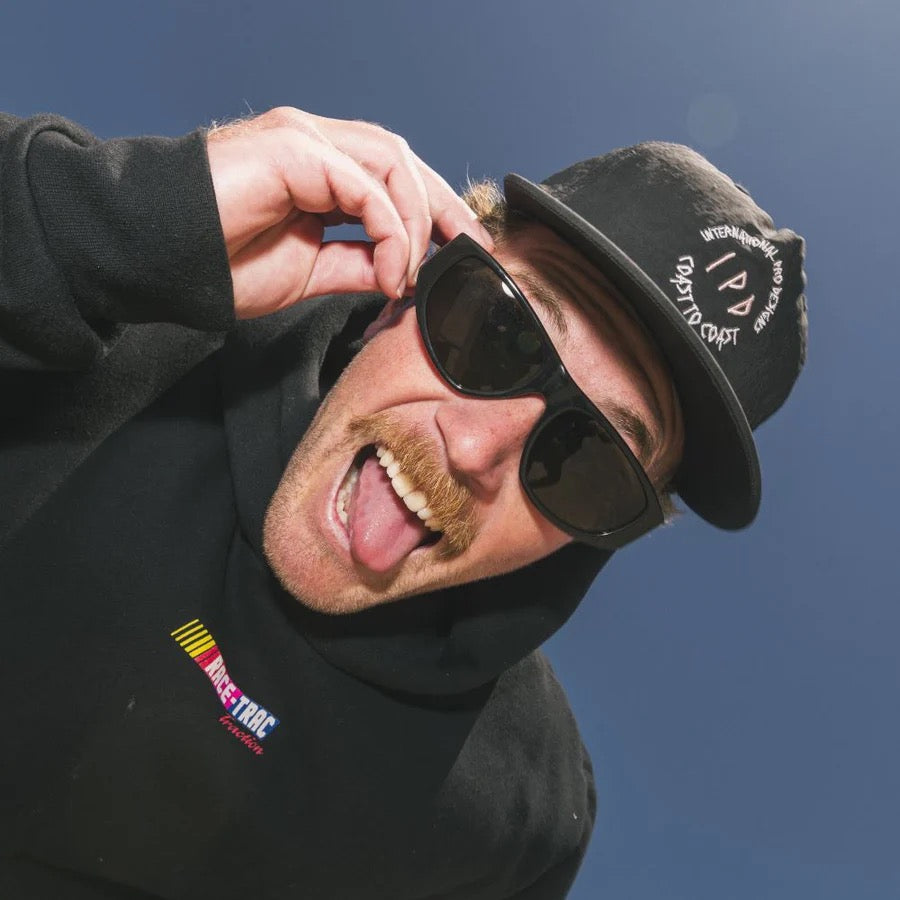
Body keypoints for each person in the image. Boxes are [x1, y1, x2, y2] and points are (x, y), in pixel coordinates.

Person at [0, 107, 806, 899]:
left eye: (588, 460)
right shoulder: (90, 318)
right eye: (497, 330)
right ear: (413, 286)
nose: (475, 449)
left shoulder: (520, 827)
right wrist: (91, 216)